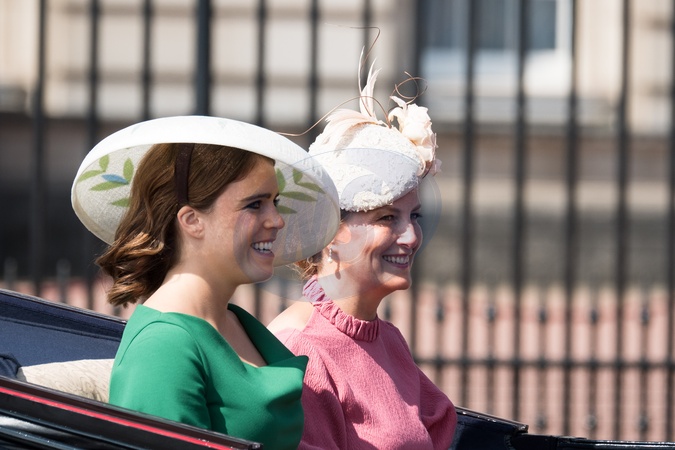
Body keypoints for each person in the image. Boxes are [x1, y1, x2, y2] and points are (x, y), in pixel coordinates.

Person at [70, 115, 340, 449]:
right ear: (192, 221)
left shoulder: (232, 320)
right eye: (255, 204)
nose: (276, 220)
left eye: (275, 202)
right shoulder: (164, 346)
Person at [268, 62, 457, 449]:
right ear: (329, 230)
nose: (411, 236)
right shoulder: (300, 348)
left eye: (414, 216)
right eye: (387, 217)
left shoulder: (387, 338)